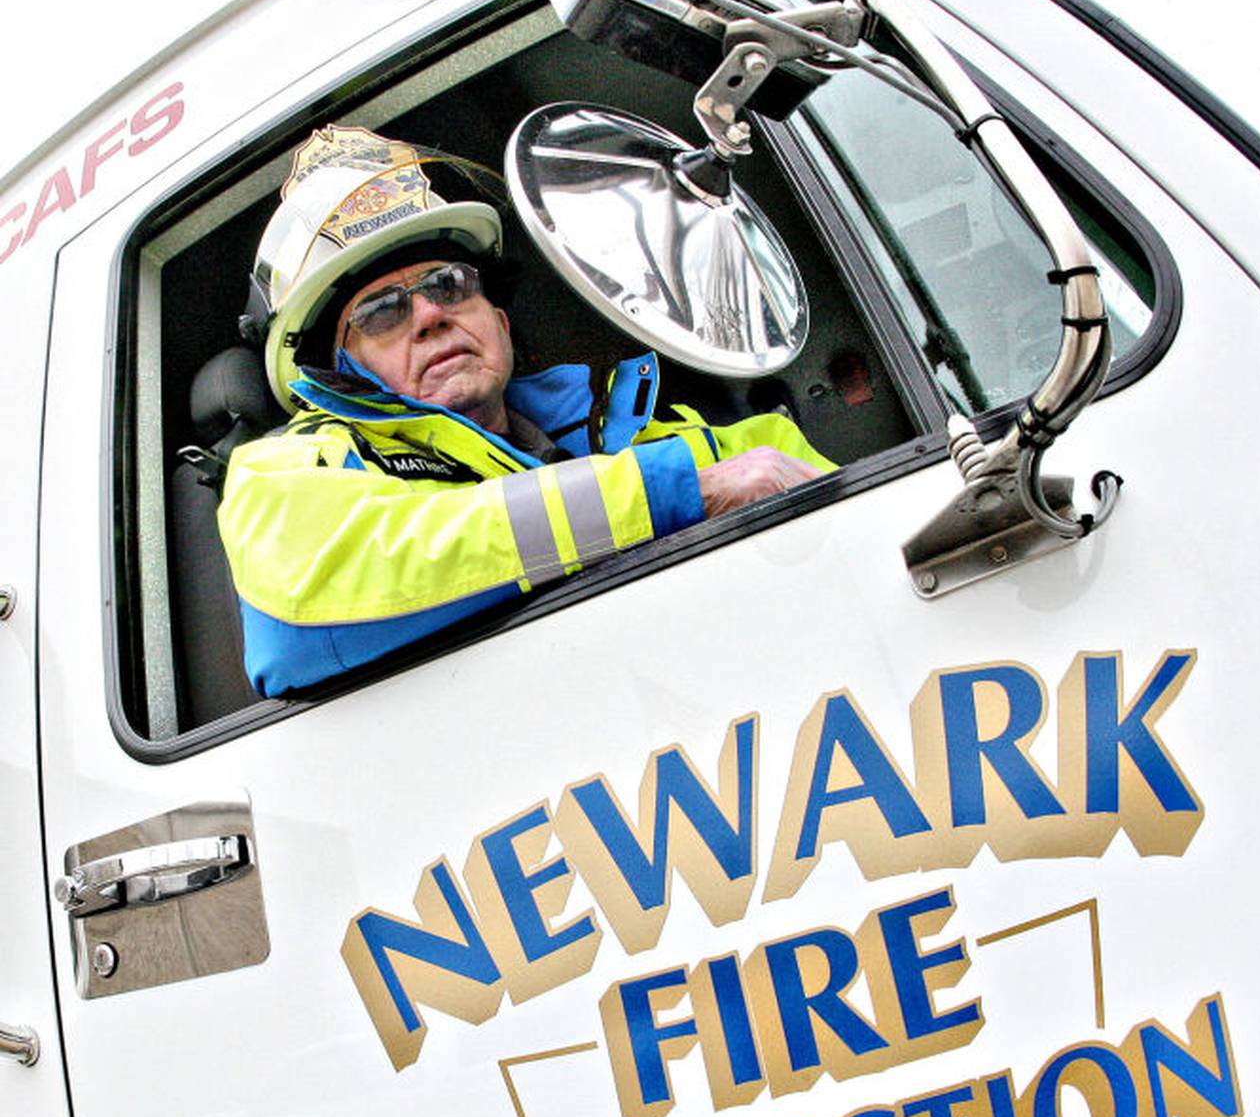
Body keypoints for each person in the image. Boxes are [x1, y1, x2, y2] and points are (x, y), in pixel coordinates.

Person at [218, 127, 835, 697]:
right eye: (382, 312)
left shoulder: (646, 428)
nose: (431, 315)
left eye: (450, 284)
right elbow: (296, 613)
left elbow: (798, 475)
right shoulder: (289, 469)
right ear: (341, 371)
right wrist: (675, 493)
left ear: (501, 325)